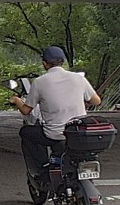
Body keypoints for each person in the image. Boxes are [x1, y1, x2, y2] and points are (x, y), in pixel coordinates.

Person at [10, 46, 101, 177]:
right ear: (62, 62)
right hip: (77, 133)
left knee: (26, 132)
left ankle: (40, 169)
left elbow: (26, 110)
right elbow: (96, 101)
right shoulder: (78, 78)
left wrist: (16, 100)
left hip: (55, 135)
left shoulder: (39, 82)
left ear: (44, 64)